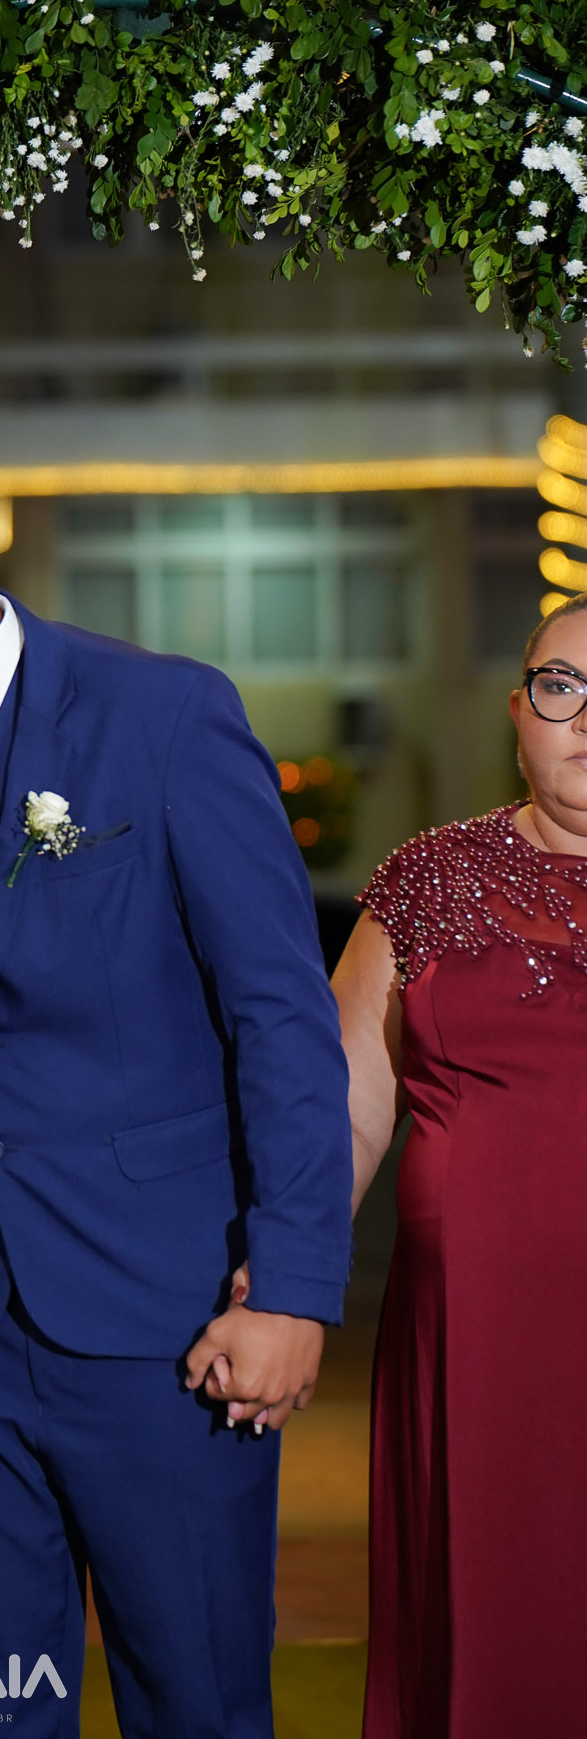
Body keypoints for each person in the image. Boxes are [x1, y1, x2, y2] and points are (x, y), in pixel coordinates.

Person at [0, 415, 353, 1738]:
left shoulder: (163, 714)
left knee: (197, 1705)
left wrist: (294, 1285)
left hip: (169, 1327)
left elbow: (278, 1016)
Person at [338, 590, 587, 1739]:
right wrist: (278, 1279)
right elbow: (345, 1112)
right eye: (561, 685)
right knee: (484, 1607)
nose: (584, 718)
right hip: (471, 1331)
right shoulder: (427, 879)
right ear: (518, 711)